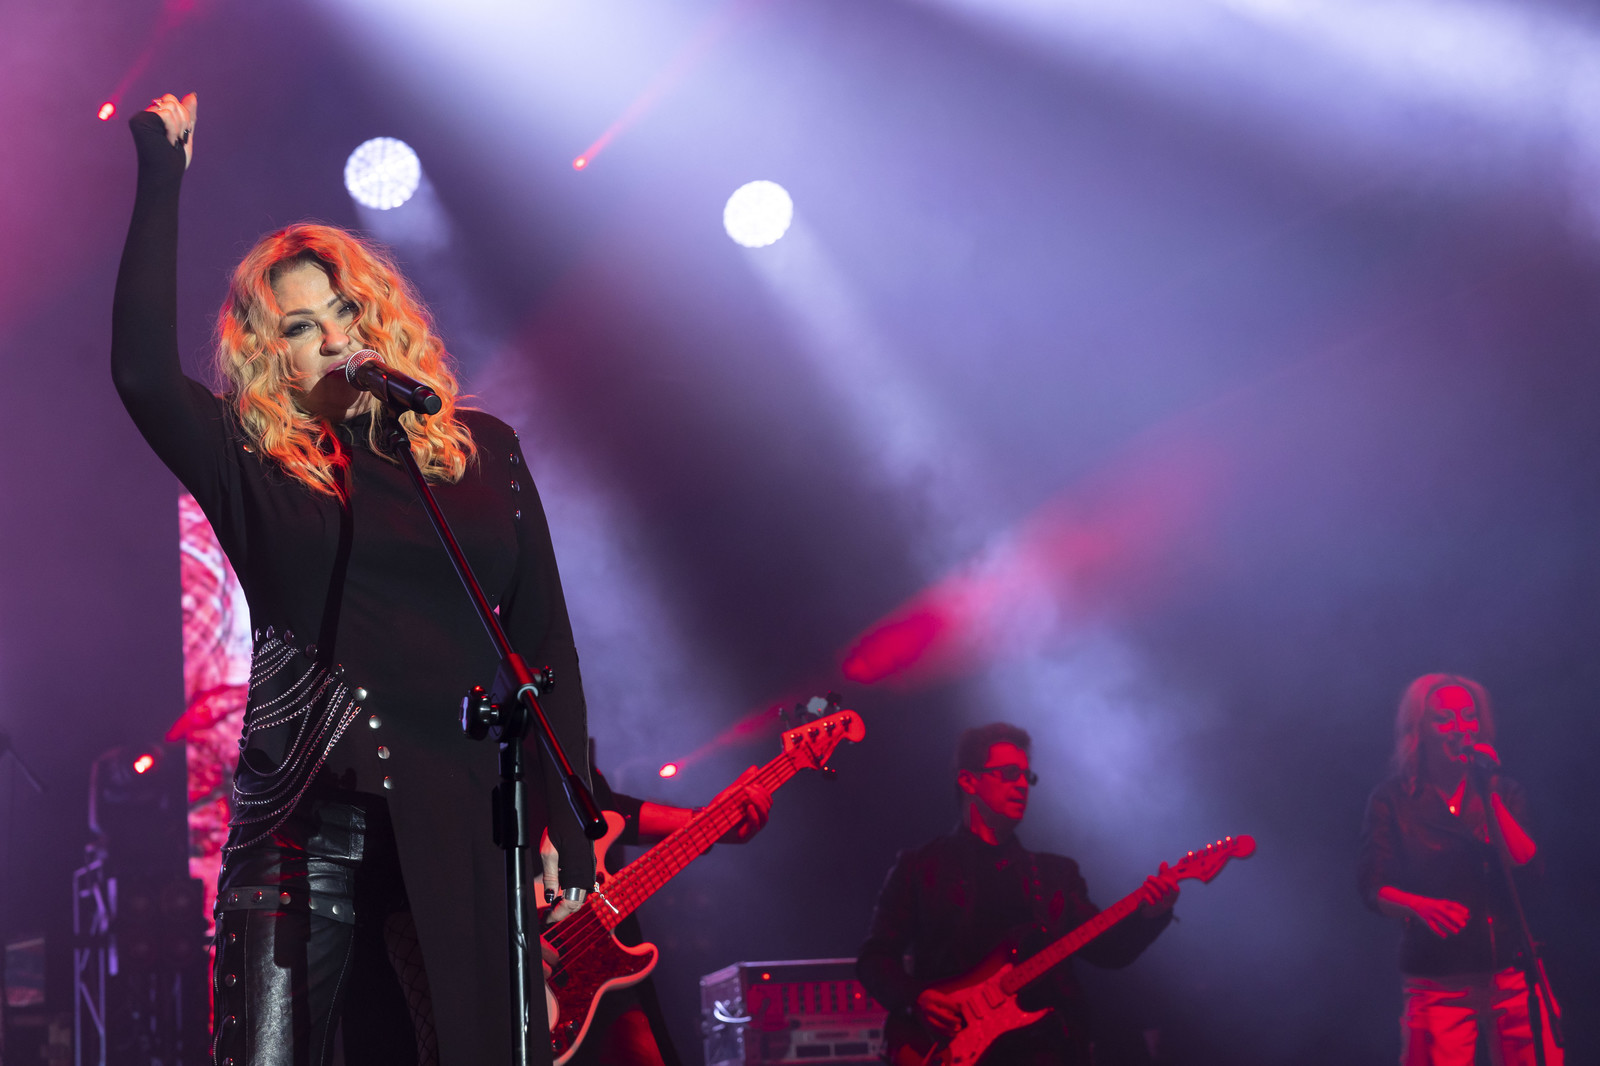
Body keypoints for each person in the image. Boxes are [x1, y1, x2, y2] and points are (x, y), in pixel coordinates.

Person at [113, 93, 595, 1065]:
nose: (334, 336)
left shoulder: (480, 452)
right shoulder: (251, 463)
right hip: (305, 827)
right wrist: (161, 175)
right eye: (301, 326)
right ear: (273, 359)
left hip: (463, 815)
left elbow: (540, 639)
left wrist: (568, 821)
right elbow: (143, 376)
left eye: (343, 311)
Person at [857, 723, 1178, 1066]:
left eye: (1027, 776)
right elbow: (875, 958)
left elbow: (1107, 951)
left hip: (1046, 1053)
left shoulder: (1056, 875)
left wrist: (1150, 916)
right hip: (952, 1051)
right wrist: (916, 998)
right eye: (1010, 774)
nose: (1022, 785)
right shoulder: (920, 868)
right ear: (968, 781)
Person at [1359, 674, 1562, 1066]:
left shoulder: (1502, 790)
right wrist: (1420, 906)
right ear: (1419, 729)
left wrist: (1487, 791)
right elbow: (1371, 883)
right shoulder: (1394, 799)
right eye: (1445, 719)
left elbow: (1528, 866)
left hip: (1513, 973)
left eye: (1469, 717)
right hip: (1439, 981)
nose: (1460, 729)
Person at [548, 758, 773, 1066]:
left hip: (594, 968)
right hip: (523, 942)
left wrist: (709, 821)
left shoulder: (560, 742)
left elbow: (609, 812)